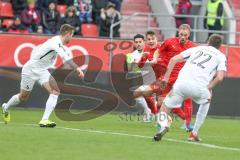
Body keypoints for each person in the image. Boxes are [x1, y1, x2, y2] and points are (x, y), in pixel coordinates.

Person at [2, 24, 84, 127]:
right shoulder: (56, 42)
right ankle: (6, 107)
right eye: (72, 35)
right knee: (23, 97)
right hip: (30, 70)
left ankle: (44, 120)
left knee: (55, 91)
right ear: (67, 34)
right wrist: (77, 68)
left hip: (42, 71)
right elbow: (65, 57)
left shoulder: (58, 42)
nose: (72, 37)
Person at [153, 34, 226, 142]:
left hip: (181, 85)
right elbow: (219, 78)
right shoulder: (221, 56)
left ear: (208, 42)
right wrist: (209, 88)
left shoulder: (197, 48)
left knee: (164, 108)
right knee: (207, 100)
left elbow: (173, 59)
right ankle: (194, 133)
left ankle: (164, 125)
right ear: (220, 45)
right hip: (200, 88)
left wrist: (166, 78)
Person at [136, 24, 196, 131]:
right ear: (178, 33)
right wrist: (154, 59)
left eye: (185, 35)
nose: (182, 37)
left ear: (189, 35)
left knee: (186, 99)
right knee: (155, 98)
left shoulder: (193, 47)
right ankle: (160, 118)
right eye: (181, 34)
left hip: (182, 79)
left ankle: (187, 124)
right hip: (167, 78)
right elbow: (158, 52)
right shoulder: (169, 42)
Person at [125, 34, 152, 122]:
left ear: (144, 42)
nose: (138, 44)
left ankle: (156, 114)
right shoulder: (131, 55)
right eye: (136, 42)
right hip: (140, 78)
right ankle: (148, 111)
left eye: (140, 42)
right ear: (134, 44)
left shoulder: (151, 52)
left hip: (153, 77)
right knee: (137, 96)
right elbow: (131, 70)